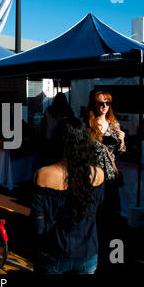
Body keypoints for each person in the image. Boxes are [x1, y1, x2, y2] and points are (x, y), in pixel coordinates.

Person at [30, 117, 105, 274]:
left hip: (54, 253)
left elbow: (38, 226)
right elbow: (98, 213)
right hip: (88, 253)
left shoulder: (43, 175)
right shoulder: (98, 174)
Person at [86, 89, 126, 271]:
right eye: (101, 103)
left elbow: (120, 153)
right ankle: (93, 249)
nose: (104, 106)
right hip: (94, 175)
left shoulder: (114, 123)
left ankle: (112, 254)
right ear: (94, 104)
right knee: (94, 213)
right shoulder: (88, 124)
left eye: (107, 103)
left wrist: (122, 141)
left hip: (110, 176)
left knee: (110, 213)